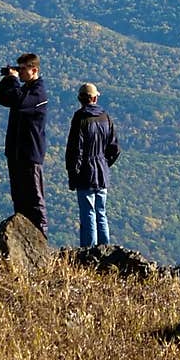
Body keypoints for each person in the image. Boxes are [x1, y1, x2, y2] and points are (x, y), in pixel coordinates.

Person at [0, 52, 49, 237]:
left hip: (30, 154)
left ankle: (41, 235)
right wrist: (9, 79)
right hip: (16, 153)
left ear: (34, 70)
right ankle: (23, 235)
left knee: (34, 198)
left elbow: (18, 101)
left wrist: (13, 79)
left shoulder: (38, 93)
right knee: (19, 198)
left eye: (23, 69)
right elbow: (4, 99)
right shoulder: (26, 89)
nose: (21, 73)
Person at [65, 82, 120, 248]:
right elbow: (115, 148)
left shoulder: (80, 119)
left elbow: (76, 150)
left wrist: (73, 174)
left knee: (88, 213)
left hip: (85, 173)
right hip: (102, 172)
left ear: (80, 99)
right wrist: (104, 163)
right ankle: (105, 250)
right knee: (101, 213)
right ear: (95, 98)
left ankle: (89, 252)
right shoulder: (105, 117)